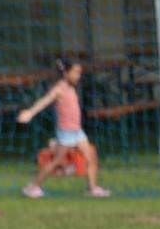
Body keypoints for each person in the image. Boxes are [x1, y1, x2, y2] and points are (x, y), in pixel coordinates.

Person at [19, 59, 111, 198]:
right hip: (66, 133)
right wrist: (30, 113)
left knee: (90, 157)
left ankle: (92, 188)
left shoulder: (71, 87)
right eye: (75, 72)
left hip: (77, 131)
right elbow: (44, 100)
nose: (78, 75)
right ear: (66, 73)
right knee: (56, 161)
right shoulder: (59, 88)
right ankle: (32, 187)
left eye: (79, 72)